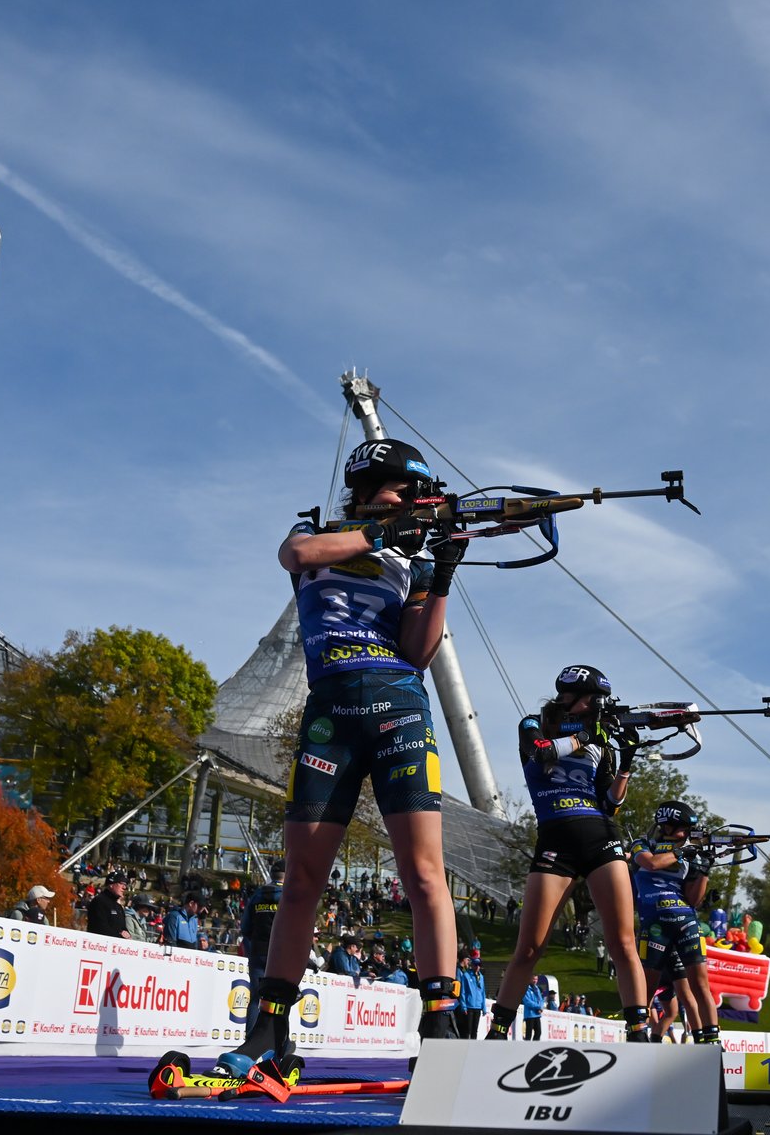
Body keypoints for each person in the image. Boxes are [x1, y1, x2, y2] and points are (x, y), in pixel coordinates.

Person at [218, 439, 468, 1077]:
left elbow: (418, 651)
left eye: (410, 497)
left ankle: (441, 1028)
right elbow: (295, 556)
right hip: (330, 712)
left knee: (423, 873)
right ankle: (269, 1030)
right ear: (369, 488)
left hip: (398, 705)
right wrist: (383, 532)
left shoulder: (408, 555)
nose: (405, 502)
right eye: (395, 492)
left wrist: (439, 575)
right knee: (301, 878)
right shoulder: (321, 530)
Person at [485, 665, 651, 1040]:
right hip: (554, 839)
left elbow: (610, 804)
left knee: (623, 942)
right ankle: (496, 1033)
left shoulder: (598, 739)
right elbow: (541, 753)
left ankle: (640, 1033)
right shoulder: (534, 724)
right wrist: (587, 736)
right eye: (594, 700)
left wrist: (626, 761)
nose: (599, 707)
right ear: (572, 697)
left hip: (599, 834)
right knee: (529, 948)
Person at [633, 801, 720, 1045]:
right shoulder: (644, 844)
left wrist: (704, 868)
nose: (686, 835)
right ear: (667, 826)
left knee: (700, 984)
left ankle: (711, 1042)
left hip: (686, 922)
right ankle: (638, 1036)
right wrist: (681, 852)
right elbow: (650, 863)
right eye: (682, 829)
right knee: (647, 987)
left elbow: (693, 899)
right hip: (654, 925)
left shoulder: (690, 850)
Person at [239, 882, 282, 981]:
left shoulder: (256, 896)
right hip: (281, 954)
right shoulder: (288, 897)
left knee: (257, 992)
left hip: (258, 951)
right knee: (279, 993)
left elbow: (245, 927)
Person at [87, 872, 130, 937]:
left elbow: (124, 929)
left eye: (125, 884)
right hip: (99, 944)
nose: (124, 887)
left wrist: (128, 936)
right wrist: (120, 934)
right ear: (111, 884)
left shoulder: (118, 907)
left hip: (117, 945)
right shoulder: (99, 901)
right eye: (121, 883)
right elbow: (99, 928)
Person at [456, 953, 488, 1038]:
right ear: (472, 965)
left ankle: (474, 1048)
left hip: (477, 1007)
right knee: (468, 1030)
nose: (478, 967)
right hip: (469, 1007)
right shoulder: (466, 975)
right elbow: (462, 992)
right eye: (476, 965)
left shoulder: (481, 977)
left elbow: (483, 992)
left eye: (479, 965)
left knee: (475, 1030)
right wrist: (464, 1006)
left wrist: (484, 1007)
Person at [520, 976, 546, 1040]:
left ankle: (535, 1047)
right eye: (533, 979)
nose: (535, 981)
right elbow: (527, 1001)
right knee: (528, 1034)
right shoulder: (525, 989)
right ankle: (527, 1048)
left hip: (537, 1014)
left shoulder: (537, 989)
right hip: (530, 1015)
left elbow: (541, 1000)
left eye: (536, 979)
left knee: (538, 1032)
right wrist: (538, 1007)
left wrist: (541, 1007)